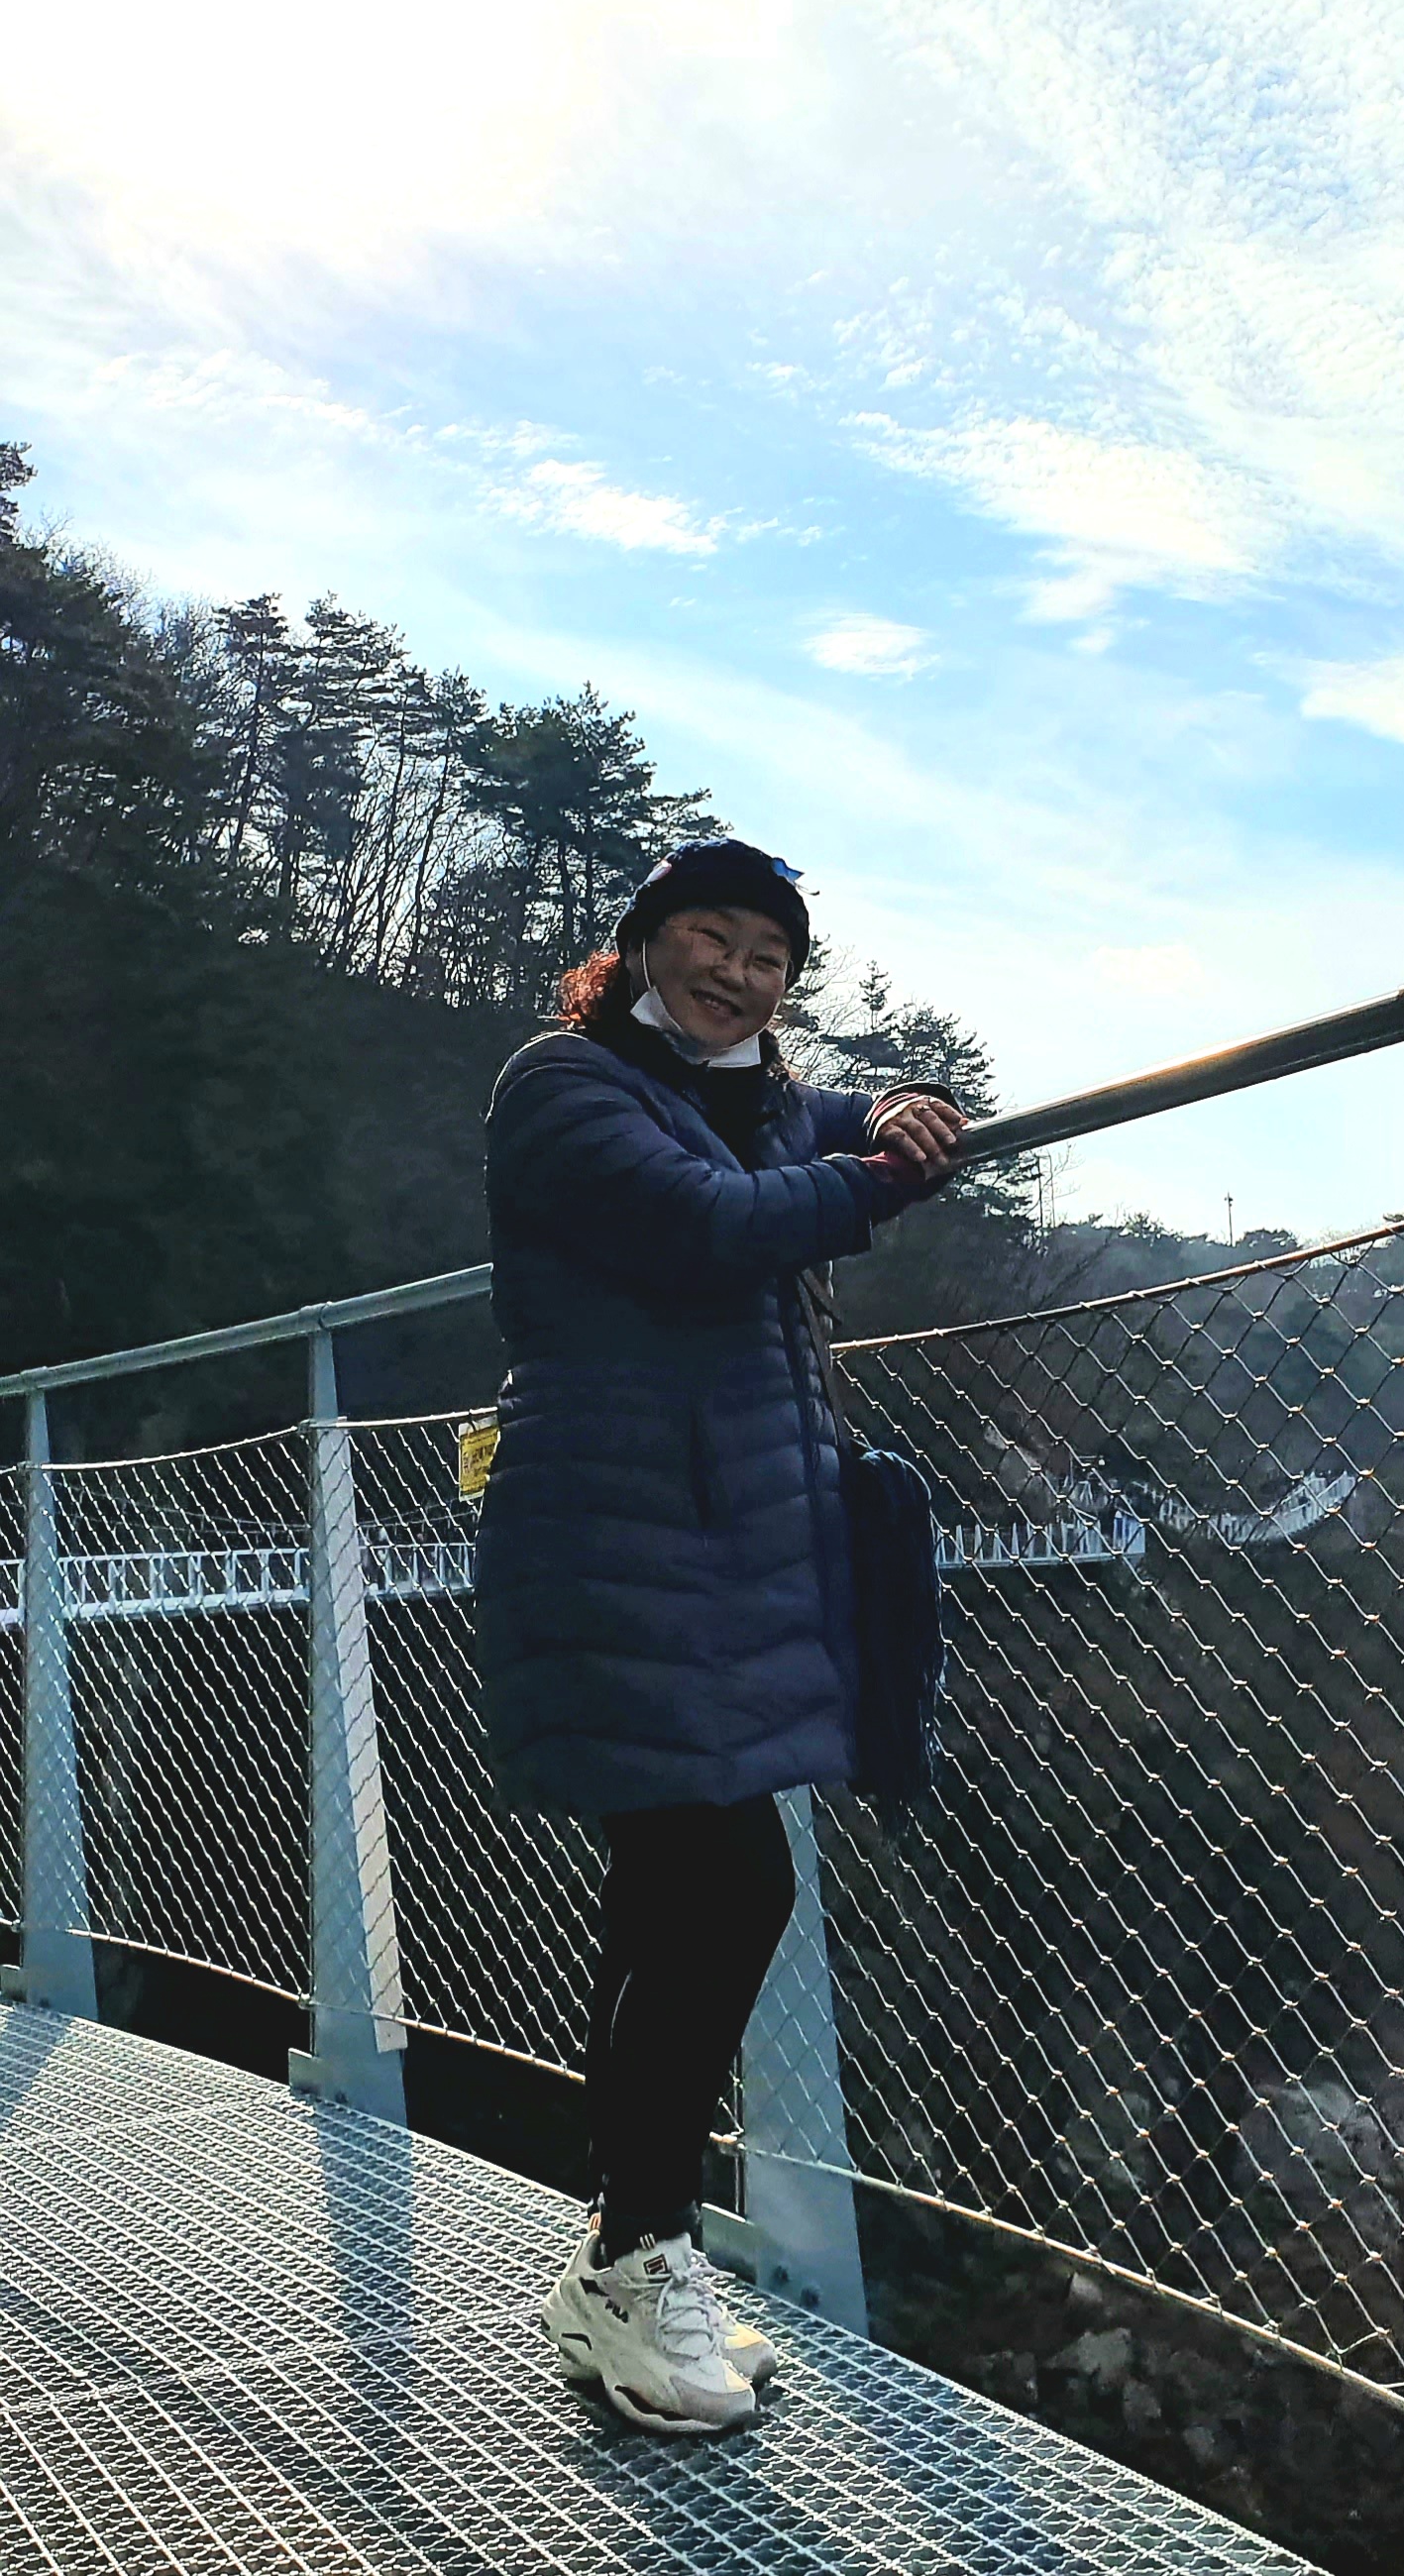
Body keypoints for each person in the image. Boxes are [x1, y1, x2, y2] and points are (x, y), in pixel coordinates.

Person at [474, 837, 965, 2434]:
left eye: (769, 956)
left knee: (666, 1888)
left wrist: (897, 1106)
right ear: (641, 942)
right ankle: (638, 2246)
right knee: (730, 1880)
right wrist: (882, 1176)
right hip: (615, 1534)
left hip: (713, 1547)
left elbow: (826, 1115)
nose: (740, 974)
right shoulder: (566, 1082)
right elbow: (699, 1224)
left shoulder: (747, 1097)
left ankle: (624, 2253)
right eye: (713, 936)